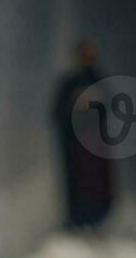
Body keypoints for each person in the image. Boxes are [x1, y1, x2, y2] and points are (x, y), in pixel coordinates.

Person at [49, 39, 116, 230]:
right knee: (77, 185)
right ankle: (77, 222)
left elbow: (108, 109)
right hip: (75, 146)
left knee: (99, 184)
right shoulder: (69, 83)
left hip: (95, 145)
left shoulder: (98, 81)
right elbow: (57, 113)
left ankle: (98, 220)